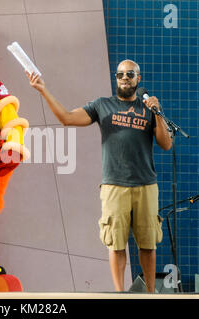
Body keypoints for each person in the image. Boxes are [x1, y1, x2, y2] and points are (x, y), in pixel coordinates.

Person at [26, 59, 172, 293]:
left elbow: (166, 144)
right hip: (114, 185)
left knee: (147, 245)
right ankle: (119, 293)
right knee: (115, 244)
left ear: (138, 79)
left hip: (146, 185)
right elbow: (66, 118)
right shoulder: (102, 105)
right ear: (116, 78)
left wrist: (157, 113)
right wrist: (43, 90)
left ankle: (150, 294)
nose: (125, 77)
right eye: (120, 74)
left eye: (130, 74)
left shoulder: (148, 109)